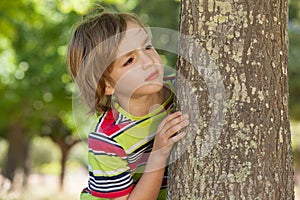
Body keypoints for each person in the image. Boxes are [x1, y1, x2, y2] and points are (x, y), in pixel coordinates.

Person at [67, 5, 189, 200]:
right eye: (129, 60)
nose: (148, 60)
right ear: (106, 86)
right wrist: (158, 154)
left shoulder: (181, 91)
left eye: (147, 47)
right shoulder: (107, 141)